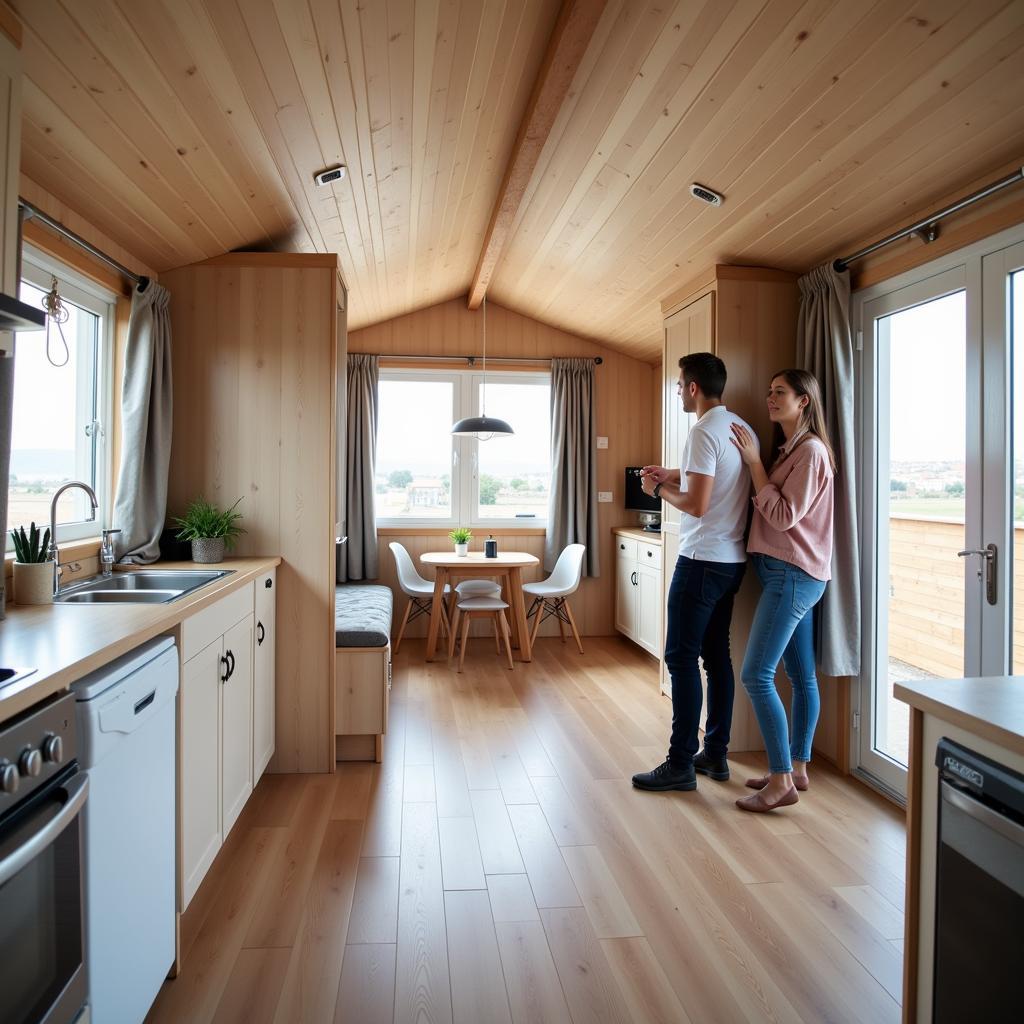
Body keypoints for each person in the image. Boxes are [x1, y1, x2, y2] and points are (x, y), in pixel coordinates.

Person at [631, 352, 757, 793]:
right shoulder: (738, 427)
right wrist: (676, 472)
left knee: (681, 658)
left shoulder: (702, 431)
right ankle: (716, 754)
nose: (678, 391)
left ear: (692, 388)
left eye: (679, 384)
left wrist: (658, 488)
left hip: (701, 560)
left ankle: (681, 761)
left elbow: (698, 505)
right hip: (732, 561)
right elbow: (719, 480)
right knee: (716, 657)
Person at [729, 369, 836, 813]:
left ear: (803, 401)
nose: (770, 398)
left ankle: (780, 781)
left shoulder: (809, 453)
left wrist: (754, 463)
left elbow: (783, 516)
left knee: (756, 675)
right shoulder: (793, 450)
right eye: (768, 390)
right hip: (792, 574)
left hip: (792, 576)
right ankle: (797, 767)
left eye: (780, 392)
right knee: (801, 676)